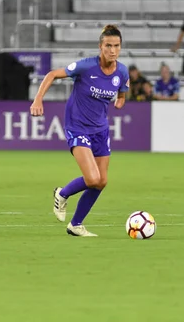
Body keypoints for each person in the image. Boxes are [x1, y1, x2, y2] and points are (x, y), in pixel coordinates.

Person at [30, 24, 129, 237]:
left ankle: (76, 225)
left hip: (101, 130)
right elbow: (52, 74)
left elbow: (122, 93)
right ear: (100, 47)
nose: (113, 50)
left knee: (102, 181)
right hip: (77, 127)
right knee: (92, 178)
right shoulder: (85, 66)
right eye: (108, 46)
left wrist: (121, 101)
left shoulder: (122, 71)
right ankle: (62, 193)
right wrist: (38, 99)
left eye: (117, 46)